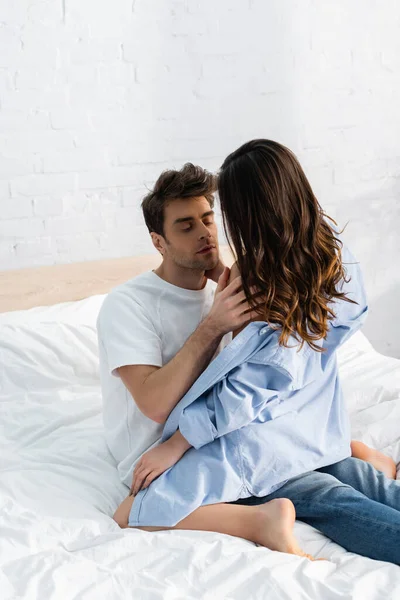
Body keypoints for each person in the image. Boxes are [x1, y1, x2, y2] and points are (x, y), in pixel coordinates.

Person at [105, 140, 400, 565]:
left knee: (132, 513)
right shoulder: (332, 256)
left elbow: (256, 383)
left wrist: (180, 442)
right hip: (303, 420)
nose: (209, 232)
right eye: (186, 226)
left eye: (211, 217)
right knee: (344, 481)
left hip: (263, 427)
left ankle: (282, 507)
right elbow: (304, 349)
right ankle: (358, 459)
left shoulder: (263, 281)